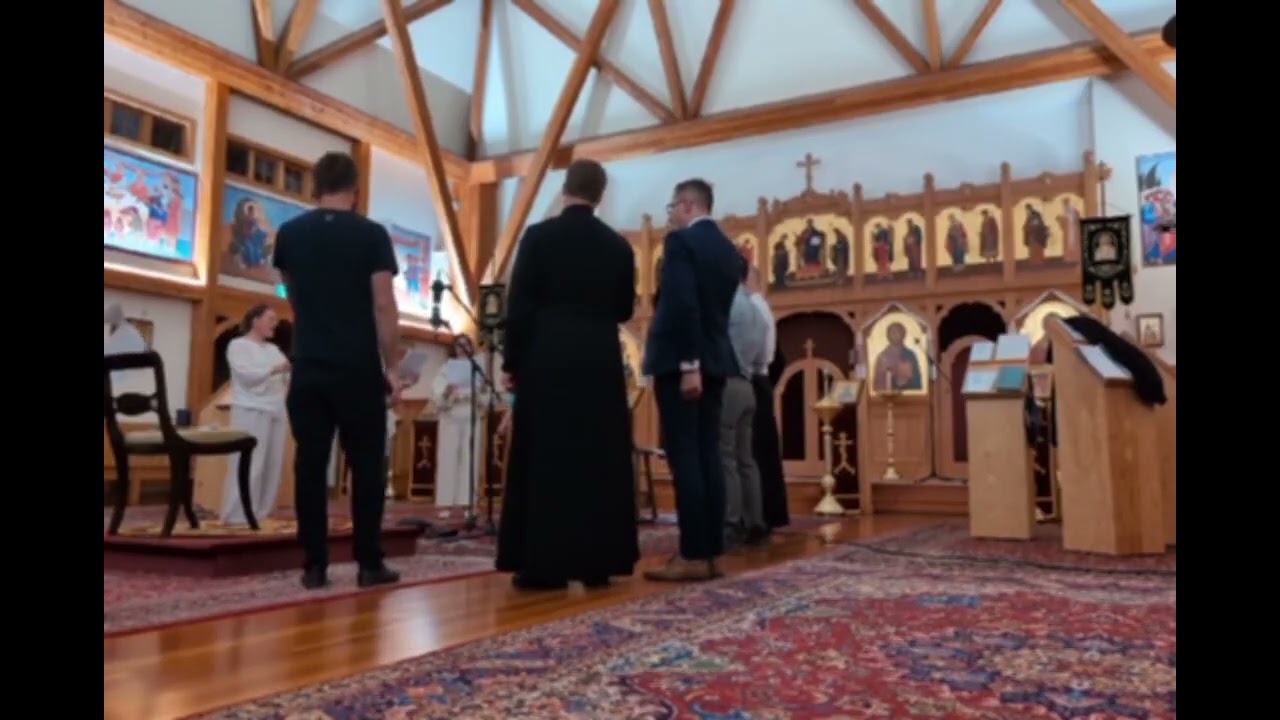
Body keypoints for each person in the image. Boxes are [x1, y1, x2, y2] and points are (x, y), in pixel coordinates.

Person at [272, 151, 414, 591]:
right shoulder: (371, 235)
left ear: (316, 186)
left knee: (311, 465)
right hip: (356, 366)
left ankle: (314, 565)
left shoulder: (290, 233)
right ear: (355, 188)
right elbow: (383, 304)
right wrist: (393, 366)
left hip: (309, 363)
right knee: (367, 466)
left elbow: (290, 292)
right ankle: (369, 563)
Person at [497, 159, 639, 590]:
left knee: (548, 456)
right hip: (599, 359)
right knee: (598, 457)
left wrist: (512, 363)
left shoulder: (539, 237)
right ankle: (599, 562)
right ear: (600, 194)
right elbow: (624, 310)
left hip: (547, 356)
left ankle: (544, 565)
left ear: (565, 188)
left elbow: (519, 305)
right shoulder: (618, 246)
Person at [641, 178, 741, 583]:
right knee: (708, 454)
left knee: (685, 457)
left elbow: (683, 305)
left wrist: (688, 365)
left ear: (686, 205)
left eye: (671, 208)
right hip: (716, 361)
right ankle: (711, 550)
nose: (670, 217)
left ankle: (693, 553)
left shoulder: (681, 243)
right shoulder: (728, 250)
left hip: (686, 363)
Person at [219, 304, 291, 524]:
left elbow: (286, 377)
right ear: (255, 320)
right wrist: (276, 369)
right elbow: (247, 376)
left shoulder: (273, 350)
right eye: (270, 319)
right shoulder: (238, 345)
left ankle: (262, 513)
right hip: (251, 409)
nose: (275, 324)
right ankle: (239, 515)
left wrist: (289, 377)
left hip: (275, 409)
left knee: (272, 464)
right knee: (251, 463)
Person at [722, 263, 771, 548]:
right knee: (746, 458)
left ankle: (731, 522)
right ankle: (756, 522)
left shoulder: (728, 304)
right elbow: (763, 359)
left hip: (727, 383)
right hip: (748, 385)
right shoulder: (757, 312)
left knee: (726, 457)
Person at [744, 268, 789, 530]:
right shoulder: (762, 307)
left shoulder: (752, 308)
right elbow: (779, 360)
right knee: (763, 451)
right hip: (760, 383)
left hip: (753, 380)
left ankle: (760, 515)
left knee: (755, 452)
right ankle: (770, 513)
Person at [430, 334, 488, 518]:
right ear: (454, 349)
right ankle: (446, 504)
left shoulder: (477, 369)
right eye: (459, 345)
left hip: (470, 416)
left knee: (469, 459)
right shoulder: (446, 368)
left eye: (466, 345)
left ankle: (468, 503)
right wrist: (447, 391)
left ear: (471, 347)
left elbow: (485, 398)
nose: (462, 348)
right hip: (451, 417)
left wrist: (482, 391)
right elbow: (437, 395)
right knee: (448, 458)